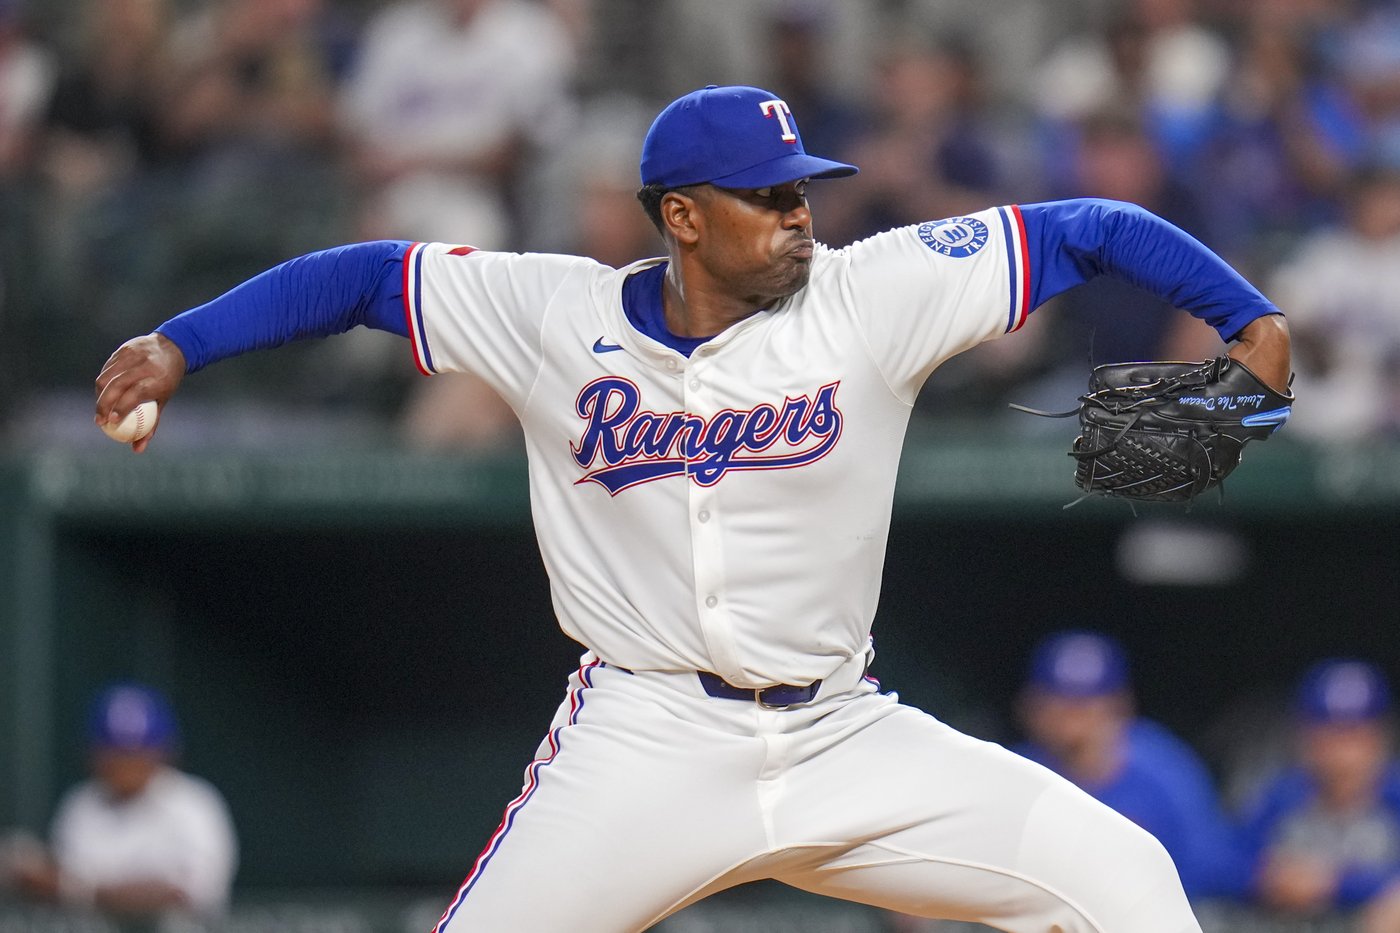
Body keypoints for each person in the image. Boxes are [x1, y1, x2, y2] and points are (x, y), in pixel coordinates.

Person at [93, 84, 1291, 931]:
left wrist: (1252, 323)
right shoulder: (554, 314)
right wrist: (179, 343)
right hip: (644, 739)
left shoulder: (869, 293)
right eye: (767, 198)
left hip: (841, 734)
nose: (798, 216)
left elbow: (1090, 228)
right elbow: (360, 277)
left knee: (1124, 881)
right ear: (681, 217)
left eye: (801, 190)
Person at [1014, 631, 1246, 899]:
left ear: (1120, 705)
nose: (1072, 718)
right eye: (1060, 703)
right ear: (1032, 707)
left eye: (1085, 704)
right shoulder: (1013, 772)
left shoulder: (1166, 771)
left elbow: (1213, 867)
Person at [5, 683, 238, 917]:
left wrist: (75, 889)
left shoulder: (195, 805)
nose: (125, 764)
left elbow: (180, 895)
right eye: (114, 752)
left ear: (165, 752)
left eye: (137, 752)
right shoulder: (81, 804)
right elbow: (59, 885)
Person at [1238, 659, 1400, 923]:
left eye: (1354, 735)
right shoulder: (1282, 796)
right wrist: (1265, 876)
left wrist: (1335, 884)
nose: (1342, 754)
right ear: (1304, 737)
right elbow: (1220, 862)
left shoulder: (1395, 795)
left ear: (1380, 737)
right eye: (1328, 734)